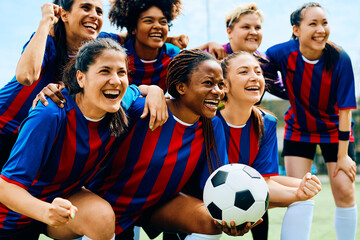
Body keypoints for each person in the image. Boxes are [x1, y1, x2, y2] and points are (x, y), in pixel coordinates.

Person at [84, 50, 260, 240]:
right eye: (208, 83)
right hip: (107, 204)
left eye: (220, 85)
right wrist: (149, 88)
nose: (218, 91)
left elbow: (216, 182)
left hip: (158, 206)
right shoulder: (142, 110)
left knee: (212, 222)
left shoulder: (213, 125)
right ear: (181, 87)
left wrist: (232, 216)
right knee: (102, 223)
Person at [0, 0, 186, 168]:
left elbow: (131, 37)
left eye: (99, 11)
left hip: (32, 135)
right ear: (64, 15)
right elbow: (26, 76)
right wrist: (46, 22)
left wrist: (169, 40)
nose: (94, 15)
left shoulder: (96, 50)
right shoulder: (48, 41)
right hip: (4, 124)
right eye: (85, 7)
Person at [0, 38, 135, 240]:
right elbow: (6, 188)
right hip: (12, 218)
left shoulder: (116, 102)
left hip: (61, 203)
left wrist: (154, 91)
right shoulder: (50, 115)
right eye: (105, 71)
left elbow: (135, 91)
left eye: (121, 72)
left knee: (101, 216)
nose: (116, 80)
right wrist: (46, 211)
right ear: (81, 78)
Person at [265, 3, 357, 240]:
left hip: (336, 133)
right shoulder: (281, 53)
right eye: (313, 23)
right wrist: (283, 90)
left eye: (324, 22)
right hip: (299, 131)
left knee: (345, 192)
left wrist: (343, 155)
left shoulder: (339, 57)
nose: (321, 29)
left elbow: (346, 111)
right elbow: (258, 69)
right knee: (300, 193)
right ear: (296, 30)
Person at [219, 51, 322, 240]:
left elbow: (264, 180)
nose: (254, 77)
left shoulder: (266, 122)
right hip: (204, 192)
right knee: (299, 192)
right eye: (244, 72)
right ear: (224, 85)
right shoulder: (209, 120)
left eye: (258, 72)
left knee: (305, 192)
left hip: (246, 187)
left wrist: (301, 193)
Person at [98, 0, 183, 92]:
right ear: (133, 28)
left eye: (163, 22)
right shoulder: (116, 47)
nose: (158, 26)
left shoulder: (172, 55)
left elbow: (194, 64)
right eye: (149, 21)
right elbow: (95, 38)